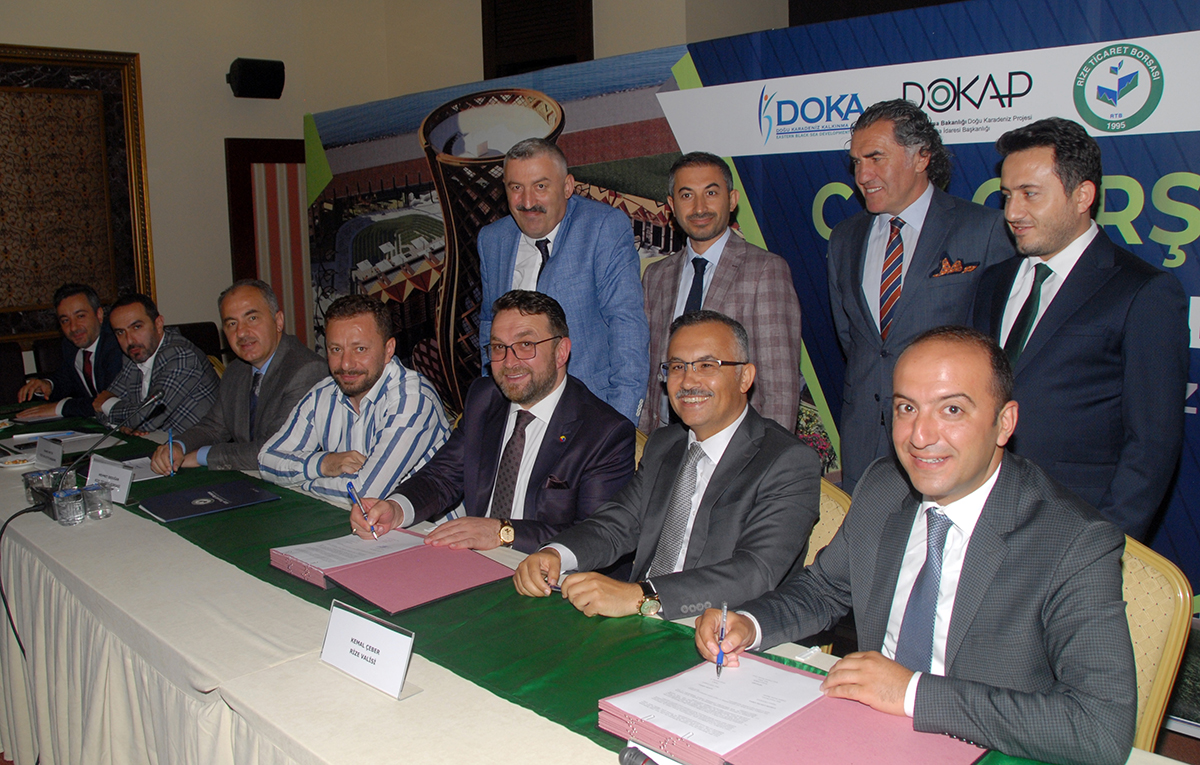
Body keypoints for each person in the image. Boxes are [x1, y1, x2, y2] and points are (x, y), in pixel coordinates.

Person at [696, 326, 1135, 765]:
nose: (920, 436)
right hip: (860, 735)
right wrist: (750, 623)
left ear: (1004, 422)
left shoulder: (1072, 542)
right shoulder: (885, 487)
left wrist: (911, 692)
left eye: (952, 410)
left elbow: (1100, 727)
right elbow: (824, 590)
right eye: (907, 408)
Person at [514, 310, 820, 619]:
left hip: (722, 629)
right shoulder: (665, 444)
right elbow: (616, 524)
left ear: (744, 377)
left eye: (706, 365)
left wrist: (642, 596)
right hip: (639, 618)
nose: (688, 381)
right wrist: (555, 553)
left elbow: (755, 572)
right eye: (676, 367)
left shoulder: (786, 461)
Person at [972, 117, 1187, 540]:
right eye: (1007, 195)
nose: (1012, 213)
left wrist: (1106, 544)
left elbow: (1152, 444)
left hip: (1076, 527)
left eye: (1030, 194)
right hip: (981, 518)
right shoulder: (992, 282)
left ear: (1082, 195)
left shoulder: (1143, 291)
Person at [352, 291, 636, 553]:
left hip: (550, 571)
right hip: (474, 562)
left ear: (561, 352)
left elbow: (595, 535)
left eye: (525, 345)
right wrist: (396, 509)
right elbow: (442, 477)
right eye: (499, 347)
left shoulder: (603, 433)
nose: (509, 362)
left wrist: (503, 532)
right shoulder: (485, 399)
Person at [828, 99, 1014, 492]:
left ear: (921, 157)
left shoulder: (983, 230)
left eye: (875, 158)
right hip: (863, 438)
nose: (862, 175)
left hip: (947, 441)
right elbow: (853, 339)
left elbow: (998, 346)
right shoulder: (845, 238)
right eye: (856, 162)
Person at [477, 137, 649, 423]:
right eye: (516, 188)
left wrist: (621, 423)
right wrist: (494, 403)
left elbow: (627, 327)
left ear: (567, 186)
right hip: (516, 411)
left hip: (590, 411)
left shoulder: (603, 228)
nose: (527, 202)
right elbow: (488, 323)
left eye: (540, 186)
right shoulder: (492, 240)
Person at [640, 151, 802, 434]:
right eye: (687, 195)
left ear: (732, 199)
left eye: (711, 193)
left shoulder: (765, 270)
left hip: (734, 443)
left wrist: (769, 456)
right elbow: (649, 369)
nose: (699, 207)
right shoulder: (656, 276)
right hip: (663, 439)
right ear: (672, 206)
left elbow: (780, 386)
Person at [258, 294, 450, 504]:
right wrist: (324, 463)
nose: (346, 364)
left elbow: (365, 493)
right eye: (336, 349)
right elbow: (267, 460)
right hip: (346, 518)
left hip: (424, 524)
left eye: (360, 349)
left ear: (388, 349)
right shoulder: (323, 393)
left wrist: (300, 484)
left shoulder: (413, 399)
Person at [150, 280, 327, 474]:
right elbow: (214, 426)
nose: (241, 332)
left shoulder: (306, 370)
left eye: (252, 318)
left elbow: (274, 450)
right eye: (232, 323)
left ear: (278, 321)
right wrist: (177, 446)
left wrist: (202, 456)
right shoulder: (236, 370)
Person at [96, 293, 219, 432]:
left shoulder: (182, 356)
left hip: (197, 443)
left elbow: (146, 418)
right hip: (158, 441)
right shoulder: (133, 357)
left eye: (137, 327)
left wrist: (109, 406)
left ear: (158, 324)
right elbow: (99, 408)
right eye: (120, 332)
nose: (129, 340)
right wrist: (123, 426)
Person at [17, 283, 122, 420]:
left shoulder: (116, 344)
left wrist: (60, 408)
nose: (73, 328)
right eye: (65, 320)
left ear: (99, 315)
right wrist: (48, 385)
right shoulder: (70, 345)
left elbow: (109, 401)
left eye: (80, 316)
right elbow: (66, 379)